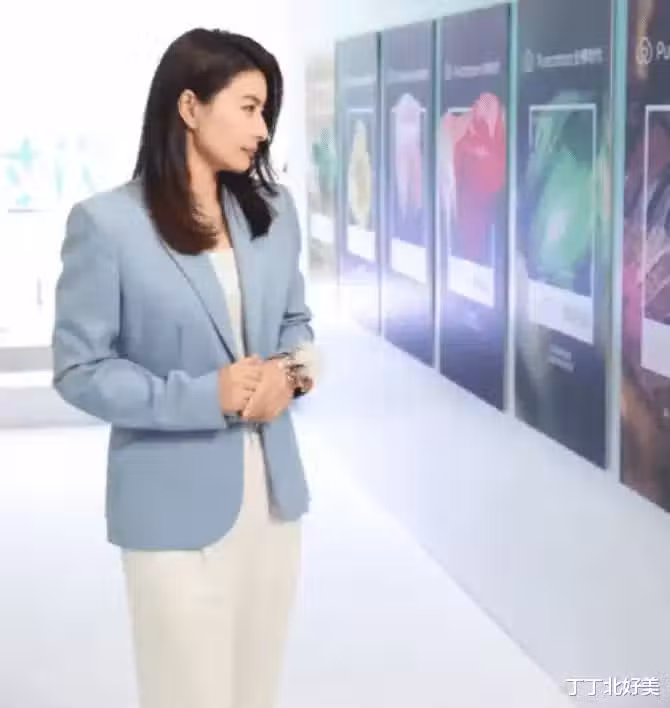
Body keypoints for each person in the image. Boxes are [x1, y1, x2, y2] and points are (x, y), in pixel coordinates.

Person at [51, 27, 317, 708]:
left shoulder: (274, 212)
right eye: (249, 108)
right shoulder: (107, 224)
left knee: (255, 695)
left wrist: (291, 377)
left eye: (266, 111)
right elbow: (80, 368)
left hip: (273, 503)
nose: (262, 130)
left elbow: (296, 324)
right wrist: (208, 396)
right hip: (170, 511)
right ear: (190, 106)